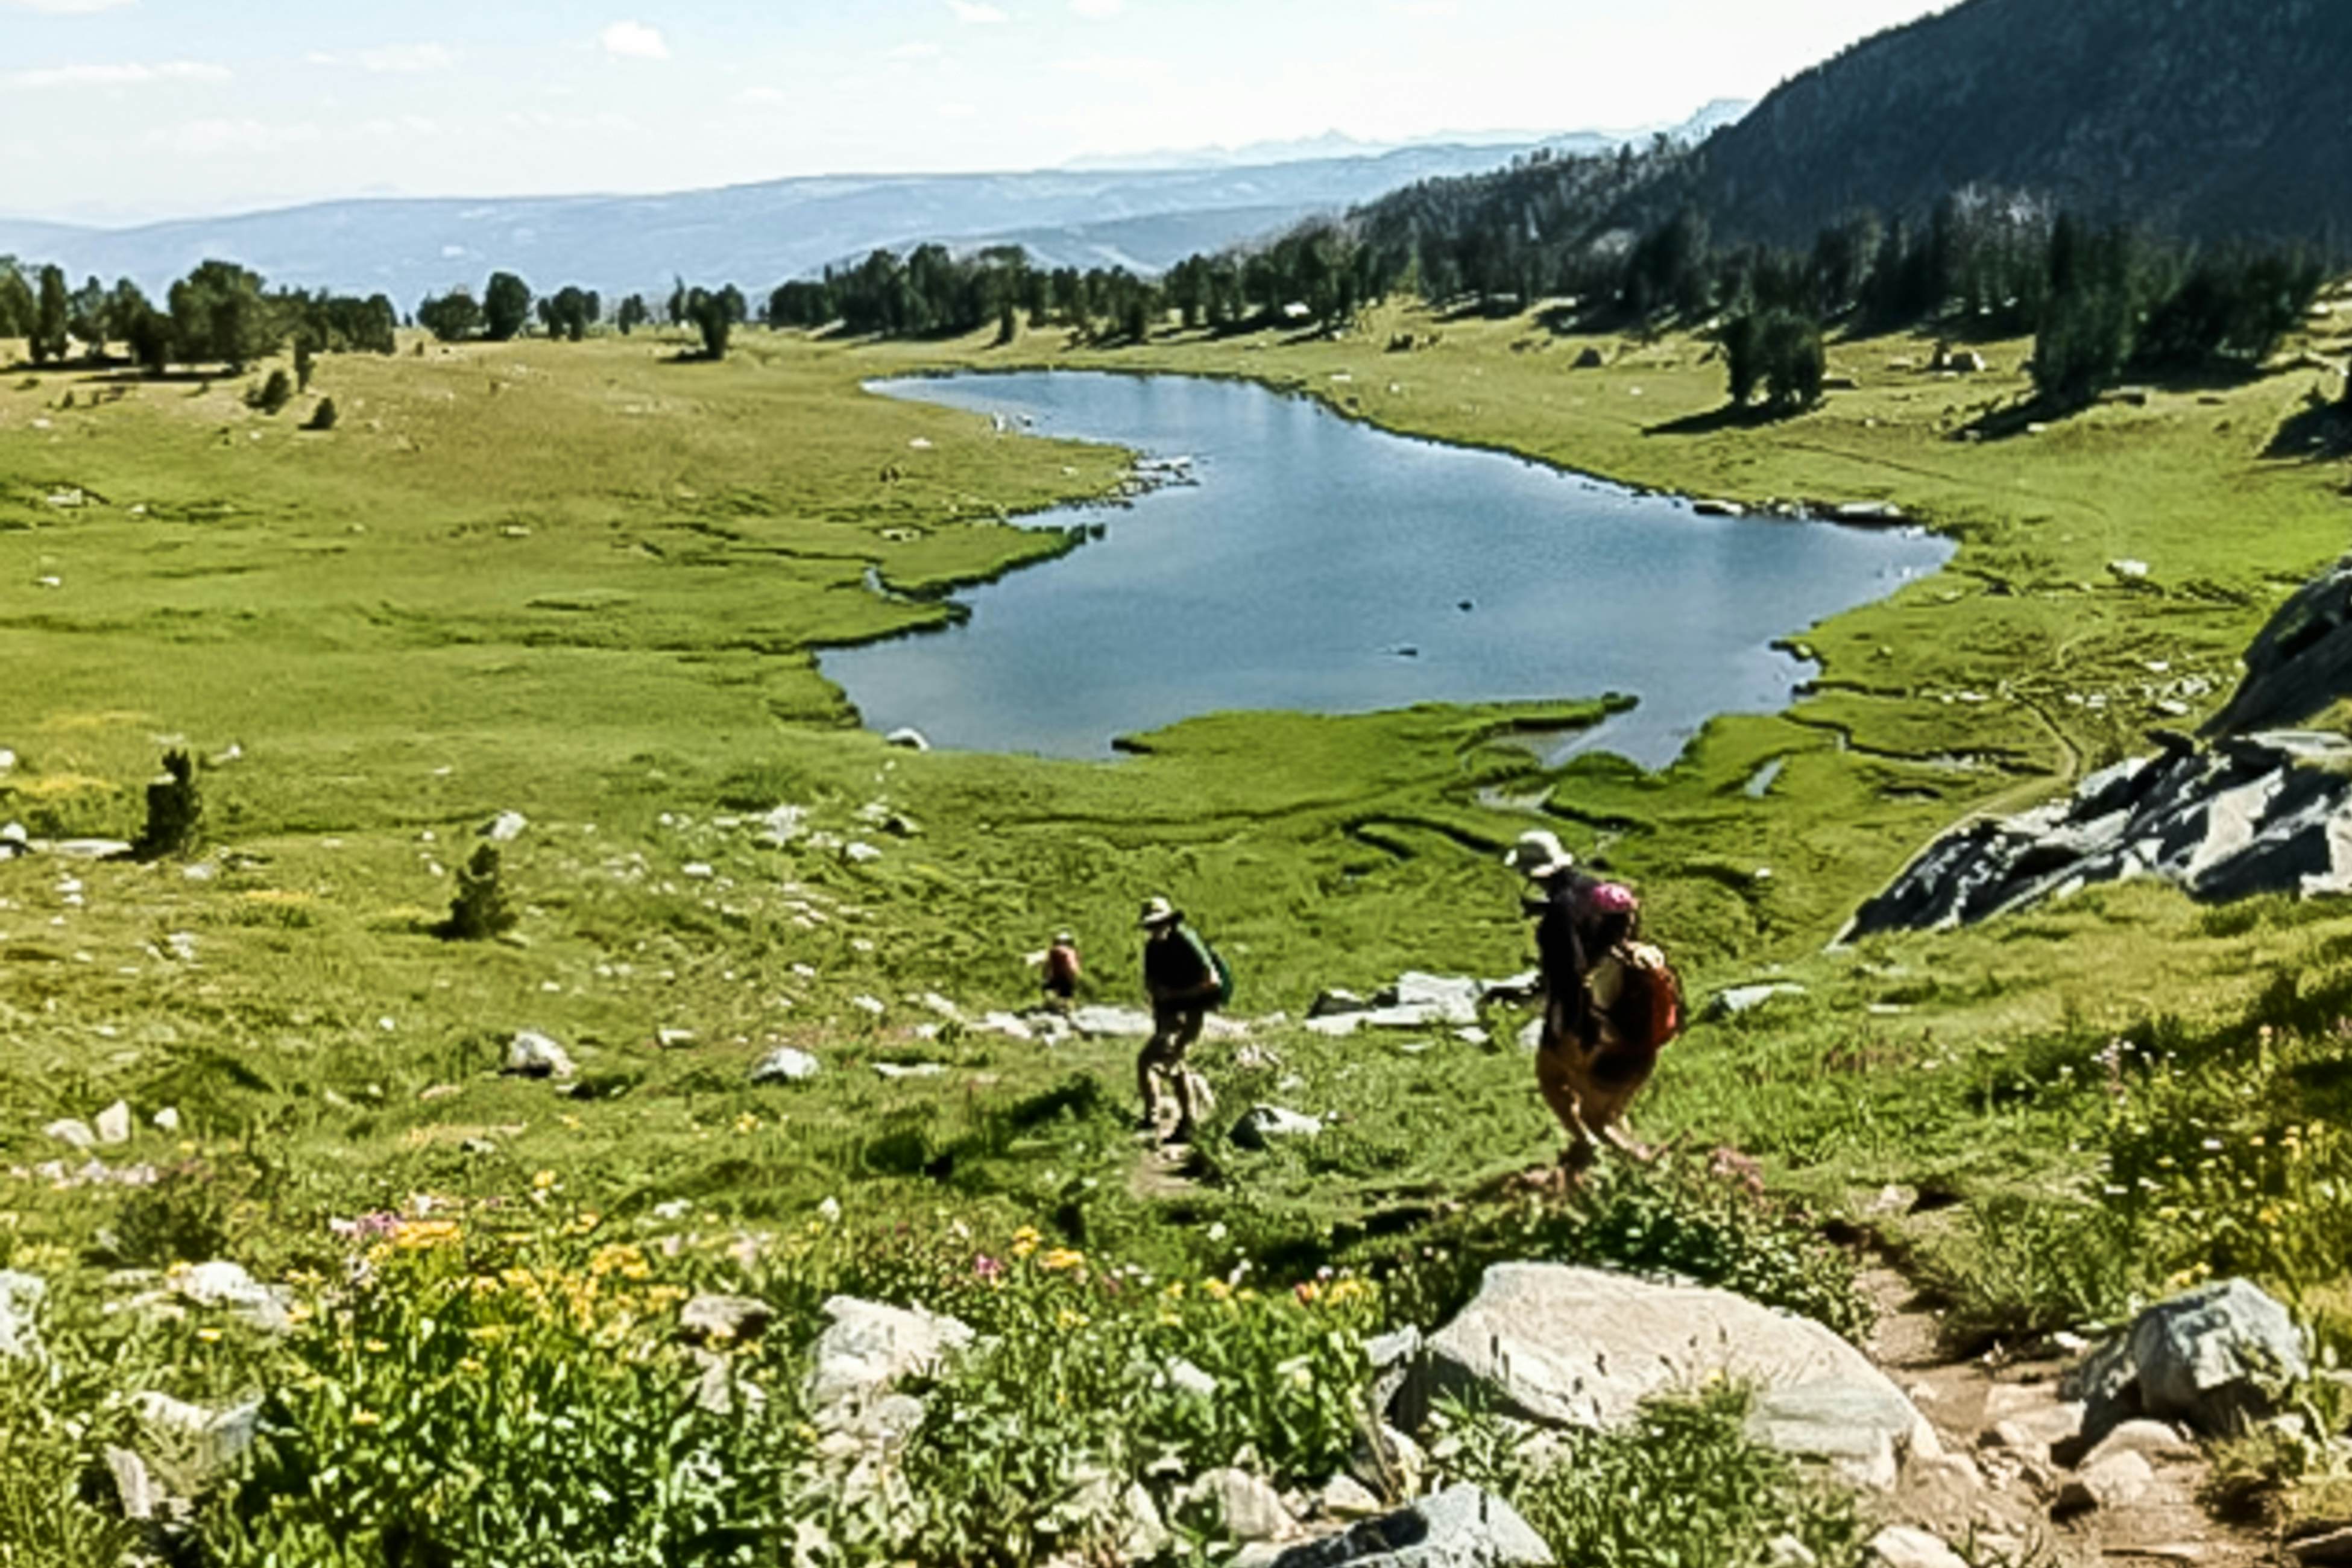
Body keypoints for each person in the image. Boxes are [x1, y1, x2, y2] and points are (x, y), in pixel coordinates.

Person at [1505, 830, 1668, 1174]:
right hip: (1622, 1019)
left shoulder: (1557, 919)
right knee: (1577, 1092)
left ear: (1532, 875)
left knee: (1584, 1107)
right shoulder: (1594, 890)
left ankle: (1641, 1165)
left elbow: (1568, 977)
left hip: (1584, 1024)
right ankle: (1600, 1153)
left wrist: (1573, 1034)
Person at [1137, 896, 1221, 1144]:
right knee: (1167, 1062)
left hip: (1188, 1011)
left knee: (1159, 1063)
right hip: (1168, 1014)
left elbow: (1211, 980)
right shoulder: (1153, 948)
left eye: (1159, 923)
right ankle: (1180, 1122)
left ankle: (1166, 1121)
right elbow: (1151, 983)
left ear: (1169, 921)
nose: (1155, 929)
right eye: (1151, 926)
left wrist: (1176, 996)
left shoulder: (1185, 941)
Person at [1042, 930, 1083, 1012]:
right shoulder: (1070, 952)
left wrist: (1046, 975)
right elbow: (1073, 965)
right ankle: (1068, 1010)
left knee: (1049, 991)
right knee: (1067, 995)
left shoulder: (1052, 951)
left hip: (1054, 977)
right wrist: (1077, 973)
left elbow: (1048, 964)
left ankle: (1052, 1007)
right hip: (1067, 977)